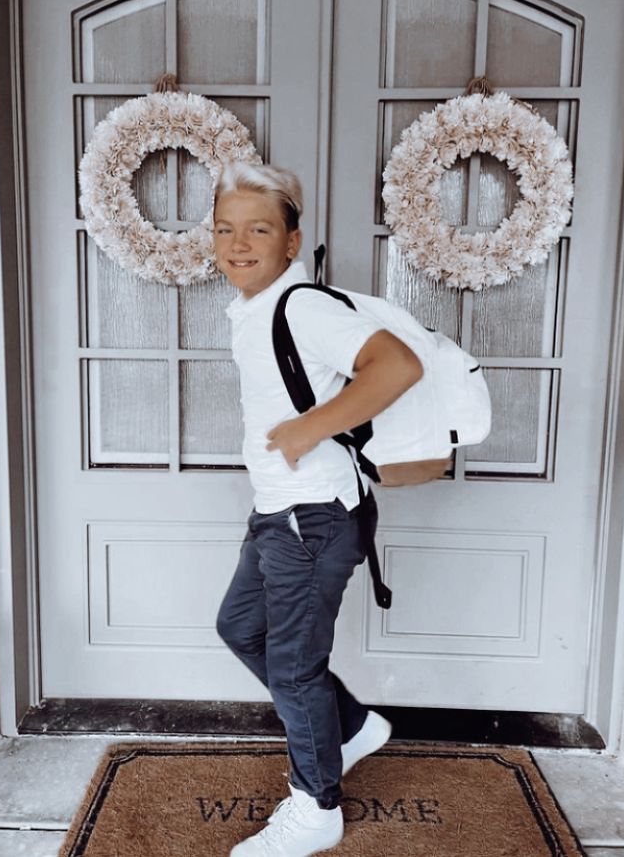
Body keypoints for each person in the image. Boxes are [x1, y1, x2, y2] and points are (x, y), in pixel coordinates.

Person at [214, 161, 423, 857]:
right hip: (280, 511)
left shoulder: (300, 306)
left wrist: (309, 429)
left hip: (312, 516)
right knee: (241, 626)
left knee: (295, 663)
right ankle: (351, 725)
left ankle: (317, 807)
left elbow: (395, 365)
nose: (237, 243)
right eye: (225, 229)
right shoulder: (253, 308)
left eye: (258, 229)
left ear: (292, 241)